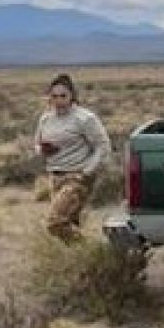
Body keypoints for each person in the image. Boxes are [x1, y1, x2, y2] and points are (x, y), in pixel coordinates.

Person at [33, 73, 113, 241]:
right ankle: (79, 260)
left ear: (72, 96)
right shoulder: (46, 118)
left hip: (76, 177)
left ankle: (91, 250)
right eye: (54, 96)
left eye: (63, 96)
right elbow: (37, 143)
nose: (59, 100)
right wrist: (43, 149)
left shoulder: (84, 118)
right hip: (55, 176)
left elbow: (103, 146)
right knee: (70, 223)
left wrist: (86, 172)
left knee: (55, 223)